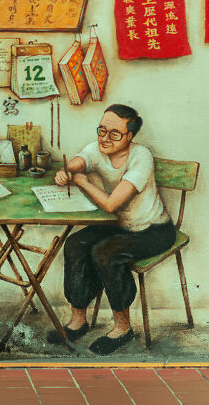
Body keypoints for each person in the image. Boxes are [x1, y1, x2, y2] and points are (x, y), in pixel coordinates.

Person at [48, 104, 175, 355]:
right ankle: (78, 320)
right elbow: (80, 160)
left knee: (105, 253)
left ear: (130, 136)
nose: (105, 138)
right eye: (102, 130)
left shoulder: (141, 157)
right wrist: (67, 171)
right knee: (75, 244)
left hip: (153, 230)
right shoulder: (98, 148)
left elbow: (111, 203)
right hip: (119, 225)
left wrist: (82, 182)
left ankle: (122, 328)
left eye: (114, 133)